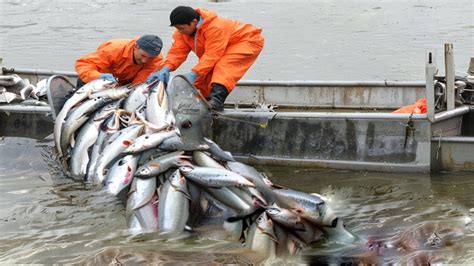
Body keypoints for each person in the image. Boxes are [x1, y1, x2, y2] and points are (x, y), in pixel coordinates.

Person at [147, 6, 265, 111]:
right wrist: (166, 68)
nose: (179, 31)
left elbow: (212, 56)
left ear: (193, 22)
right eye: (177, 28)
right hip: (222, 46)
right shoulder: (182, 33)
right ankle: (203, 101)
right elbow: (177, 53)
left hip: (247, 40)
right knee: (203, 77)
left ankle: (216, 101)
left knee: (223, 66)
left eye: (181, 28)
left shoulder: (215, 27)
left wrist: (194, 73)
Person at [75, 35, 164, 88]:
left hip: (125, 85)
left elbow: (140, 81)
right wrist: (98, 76)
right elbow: (83, 64)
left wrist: (130, 91)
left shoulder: (156, 59)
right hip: (97, 81)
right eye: (143, 55)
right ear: (136, 47)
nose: (145, 60)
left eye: (150, 58)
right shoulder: (113, 49)